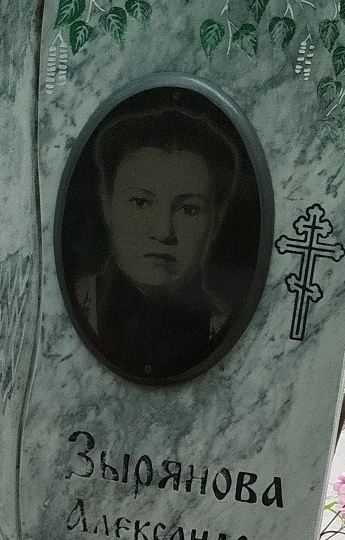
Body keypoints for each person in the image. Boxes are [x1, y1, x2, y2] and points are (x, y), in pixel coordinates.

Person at [71, 96, 242, 381]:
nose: (163, 232)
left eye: (189, 209)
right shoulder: (75, 306)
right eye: (140, 202)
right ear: (107, 204)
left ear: (216, 219)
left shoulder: (228, 327)